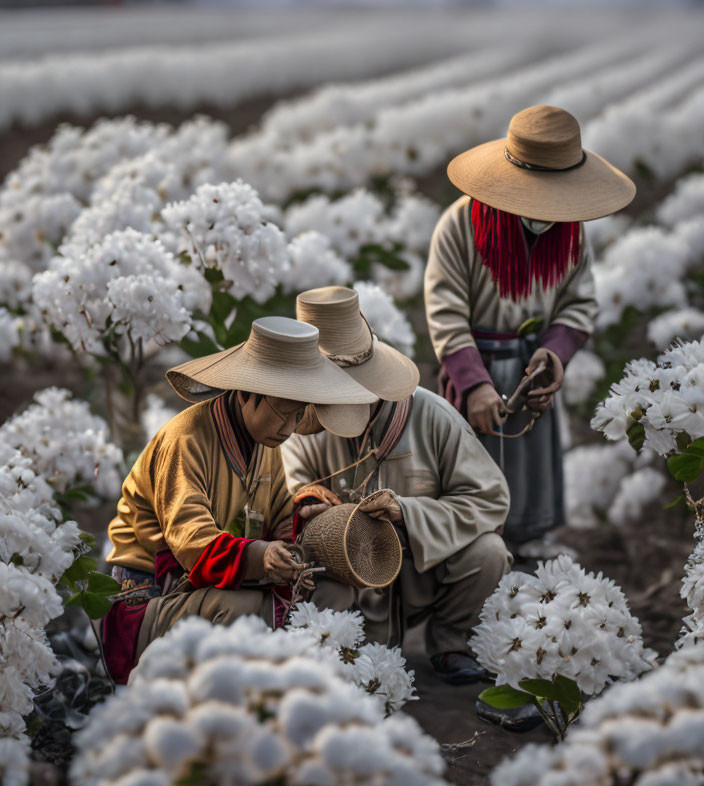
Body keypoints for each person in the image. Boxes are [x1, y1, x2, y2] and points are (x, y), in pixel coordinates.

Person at [102, 316, 377, 684]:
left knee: (334, 592)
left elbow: (277, 517)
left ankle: (299, 687)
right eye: (283, 412)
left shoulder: (264, 445)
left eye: (298, 416)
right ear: (246, 392)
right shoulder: (185, 439)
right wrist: (259, 556)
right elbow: (191, 542)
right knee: (243, 608)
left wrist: (308, 516)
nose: (290, 429)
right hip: (149, 602)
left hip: (213, 586)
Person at [424, 104, 636, 551]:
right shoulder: (459, 226)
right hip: (477, 370)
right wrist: (476, 386)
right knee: (474, 481)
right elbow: (445, 314)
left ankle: (526, 551)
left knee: (529, 477)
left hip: (531, 368)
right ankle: (473, 561)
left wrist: (555, 353)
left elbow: (579, 302)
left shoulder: (570, 233)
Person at [281, 287, 511, 684]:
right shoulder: (303, 423)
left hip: (426, 570)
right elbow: (292, 490)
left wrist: (408, 512)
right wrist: (312, 509)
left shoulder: (434, 415)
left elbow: (490, 499)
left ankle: (451, 643)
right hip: (348, 574)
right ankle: (353, 652)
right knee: (327, 614)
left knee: (489, 552)